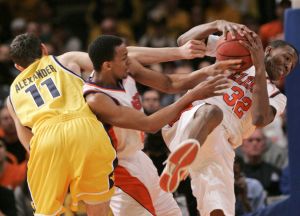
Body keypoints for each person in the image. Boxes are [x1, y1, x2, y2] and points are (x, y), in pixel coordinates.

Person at [83, 35, 241, 216]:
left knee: (173, 213)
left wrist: (209, 71)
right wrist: (192, 96)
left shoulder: (125, 68)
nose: (130, 61)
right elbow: (150, 124)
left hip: (140, 157)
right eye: (124, 58)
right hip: (120, 169)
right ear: (107, 65)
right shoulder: (97, 99)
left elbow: (169, 83)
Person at [160, 20, 299, 216]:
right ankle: (178, 162)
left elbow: (259, 118)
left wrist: (259, 66)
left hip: (221, 145)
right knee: (212, 112)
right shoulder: (238, 49)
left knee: (220, 210)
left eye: (291, 66)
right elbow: (183, 41)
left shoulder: (278, 96)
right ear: (268, 50)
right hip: (190, 118)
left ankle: (182, 161)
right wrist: (216, 24)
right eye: (286, 58)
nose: (287, 66)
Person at [7, 33, 117, 215]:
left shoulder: (11, 97)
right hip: (84, 128)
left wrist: (50, 160)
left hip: (45, 138)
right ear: (44, 49)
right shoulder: (66, 60)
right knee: (98, 204)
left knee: (46, 212)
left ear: (18, 67)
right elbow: (109, 63)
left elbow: (26, 138)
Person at [241, 129, 282, 196]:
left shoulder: (275, 172)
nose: (254, 143)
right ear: (242, 145)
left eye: (258, 140)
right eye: (250, 140)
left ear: (264, 144)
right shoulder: (235, 174)